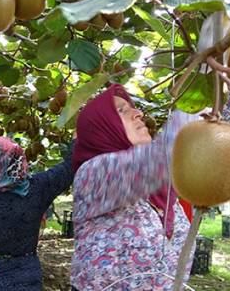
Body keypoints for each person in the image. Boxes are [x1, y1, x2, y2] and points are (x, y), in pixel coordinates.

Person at [69, 83, 197, 290]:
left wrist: (228, 80)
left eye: (133, 107)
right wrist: (197, 100)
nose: (138, 113)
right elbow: (164, 155)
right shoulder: (92, 175)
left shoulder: (160, 191)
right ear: (102, 127)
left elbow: (208, 132)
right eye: (122, 110)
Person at [0, 136, 74, 290]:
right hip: (24, 278)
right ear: (20, 159)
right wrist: (79, 135)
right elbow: (69, 168)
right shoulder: (38, 188)